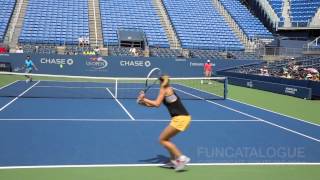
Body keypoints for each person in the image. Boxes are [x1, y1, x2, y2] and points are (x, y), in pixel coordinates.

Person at [137, 75, 191, 171]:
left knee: (162, 140)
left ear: (160, 82)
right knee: (167, 139)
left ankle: (181, 158)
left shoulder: (163, 89)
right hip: (183, 118)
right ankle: (173, 162)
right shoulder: (169, 88)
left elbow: (157, 104)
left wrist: (143, 98)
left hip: (180, 118)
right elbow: (155, 105)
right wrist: (142, 102)